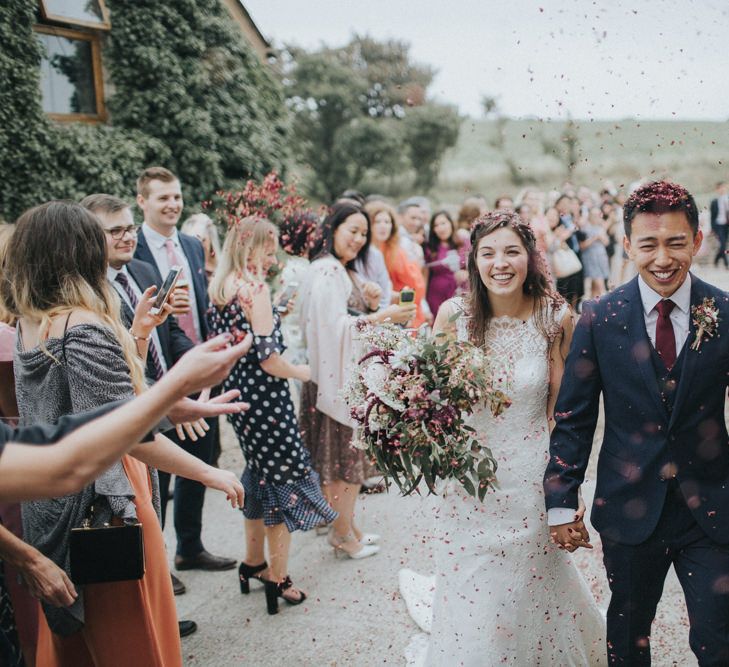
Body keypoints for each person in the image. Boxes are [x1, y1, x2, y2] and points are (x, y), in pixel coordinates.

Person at [6, 200, 245, 667]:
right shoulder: (84, 325)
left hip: (50, 501)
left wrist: (137, 338)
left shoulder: (28, 324)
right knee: (131, 638)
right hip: (107, 496)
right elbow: (126, 433)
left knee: (85, 645)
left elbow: (100, 401)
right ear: (80, 253)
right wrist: (208, 472)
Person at [400, 211, 605, 665]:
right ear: (473, 261)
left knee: (531, 585)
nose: (500, 263)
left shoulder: (556, 319)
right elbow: (437, 403)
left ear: (530, 258)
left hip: (531, 481)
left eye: (512, 251)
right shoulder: (453, 317)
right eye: (488, 253)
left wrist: (565, 489)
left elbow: (564, 414)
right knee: (475, 593)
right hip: (468, 485)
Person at [545, 180, 729, 665]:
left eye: (675, 242)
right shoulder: (599, 317)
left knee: (719, 639)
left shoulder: (725, 312)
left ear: (697, 240)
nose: (662, 258)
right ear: (627, 245)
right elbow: (574, 417)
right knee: (628, 638)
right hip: (629, 508)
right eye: (648, 245)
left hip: (710, 507)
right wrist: (562, 499)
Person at [81, 193, 207, 625]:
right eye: (114, 230)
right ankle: (152, 610)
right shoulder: (89, 294)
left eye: (129, 228)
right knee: (142, 513)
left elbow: (168, 332)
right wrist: (168, 400)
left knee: (162, 501)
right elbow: (115, 370)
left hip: (165, 397)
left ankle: (164, 587)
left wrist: (194, 372)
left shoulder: (144, 270)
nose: (126, 237)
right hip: (134, 413)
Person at [208, 215, 337, 613]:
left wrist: (274, 309)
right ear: (253, 246)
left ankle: (252, 562)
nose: (274, 255)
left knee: (259, 475)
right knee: (282, 481)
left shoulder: (223, 286)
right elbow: (269, 359)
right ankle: (277, 577)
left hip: (241, 400)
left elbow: (242, 343)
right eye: (269, 246)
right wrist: (307, 371)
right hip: (268, 400)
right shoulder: (254, 289)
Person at [299, 202, 416, 559]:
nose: (358, 239)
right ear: (332, 228)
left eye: (363, 234)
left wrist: (369, 302)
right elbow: (334, 330)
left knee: (348, 464)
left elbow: (343, 319)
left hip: (335, 376)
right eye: (353, 230)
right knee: (342, 468)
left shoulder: (337, 270)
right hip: (333, 382)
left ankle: (349, 526)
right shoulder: (328, 271)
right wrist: (385, 316)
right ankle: (341, 536)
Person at [135, 166, 236, 574]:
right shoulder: (135, 252)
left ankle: (190, 547)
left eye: (176, 197)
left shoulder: (194, 246)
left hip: (199, 370)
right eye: (163, 198)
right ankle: (158, 564)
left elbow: (204, 305)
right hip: (157, 373)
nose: (173, 204)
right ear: (142, 201)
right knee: (160, 472)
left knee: (200, 460)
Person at [365, 201, 428, 329]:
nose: (383, 226)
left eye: (387, 222)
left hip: (390, 316)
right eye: (378, 222)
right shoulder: (368, 253)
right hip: (373, 318)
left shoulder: (391, 249)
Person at [423, 210, 468, 318]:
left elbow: (476, 266)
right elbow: (424, 275)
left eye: (443, 223)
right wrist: (423, 304)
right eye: (436, 225)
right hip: (437, 296)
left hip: (461, 293)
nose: (440, 228)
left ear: (451, 223)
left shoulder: (464, 242)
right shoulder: (430, 248)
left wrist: (467, 273)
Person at [578, 207, 611, 298]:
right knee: (600, 284)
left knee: (595, 286)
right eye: (594, 215)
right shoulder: (585, 228)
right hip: (590, 257)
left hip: (601, 257)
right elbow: (582, 246)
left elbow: (606, 242)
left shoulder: (601, 227)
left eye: (598, 215)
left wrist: (602, 237)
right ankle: (605, 303)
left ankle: (594, 306)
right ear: (589, 216)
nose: (596, 217)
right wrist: (595, 238)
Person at [180, 213, 221, 280]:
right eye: (194, 240)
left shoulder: (219, 265)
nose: (198, 244)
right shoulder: (184, 266)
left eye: (203, 240)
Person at [709, 180, 729, 268]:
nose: (722, 189)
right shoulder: (714, 201)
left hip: (727, 225)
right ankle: (726, 263)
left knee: (723, 245)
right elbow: (712, 217)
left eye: (724, 187)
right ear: (717, 190)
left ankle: (716, 259)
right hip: (719, 225)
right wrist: (712, 228)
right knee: (723, 243)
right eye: (720, 188)